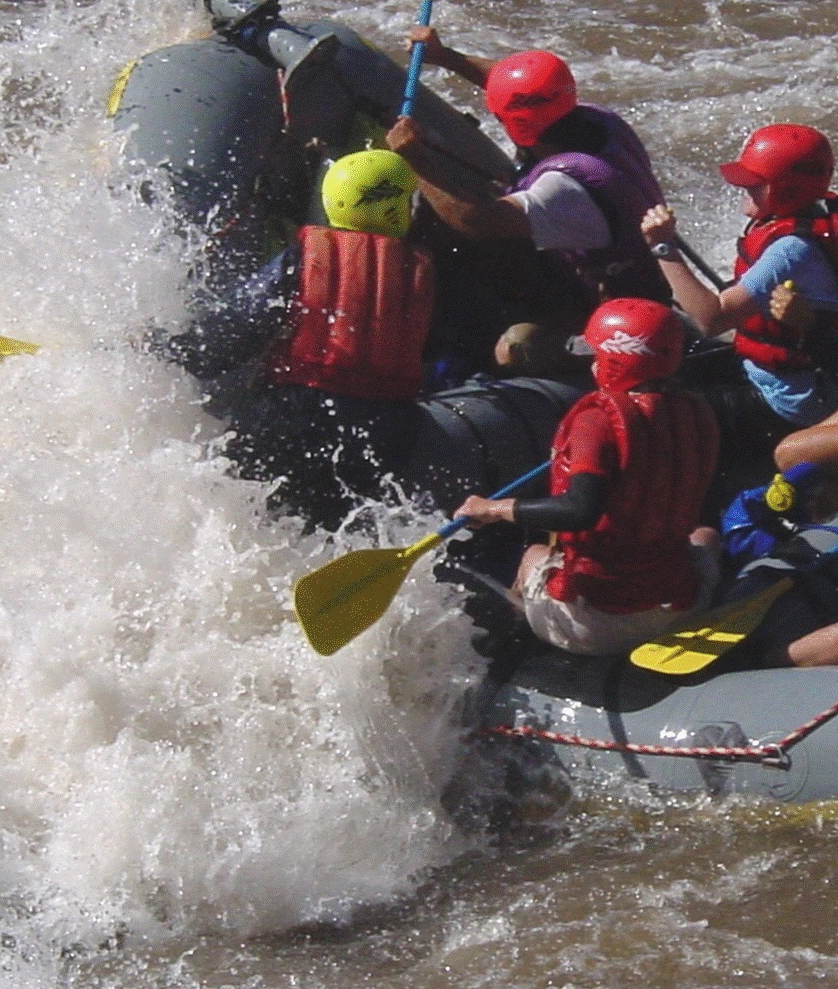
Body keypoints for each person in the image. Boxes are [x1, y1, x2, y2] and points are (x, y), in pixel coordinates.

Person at [152, 148, 434, 528]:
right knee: (344, 525)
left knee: (258, 518)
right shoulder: (422, 269)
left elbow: (231, 334)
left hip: (293, 414)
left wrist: (164, 348)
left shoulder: (305, 258)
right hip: (383, 427)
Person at [452, 298, 721, 656]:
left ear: (615, 359)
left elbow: (579, 510)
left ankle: (516, 648)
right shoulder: (694, 411)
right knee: (705, 536)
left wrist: (493, 508)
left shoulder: (595, 422)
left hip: (595, 622)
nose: (592, 364)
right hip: (678, 608)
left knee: (533, 554)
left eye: (596, 356)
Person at [385, 37, 671, 338]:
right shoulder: (598, 119)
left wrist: (415, 160)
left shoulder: (561, 189)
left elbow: (476, 222)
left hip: (618, 313)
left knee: (517, 342)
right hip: (625, 258)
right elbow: (527, 92)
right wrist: (446, 57)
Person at [641, 124, 838, 451]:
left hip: (791, 399)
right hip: (767, 373)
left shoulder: (792, 250)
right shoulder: (805, 217)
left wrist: (663, 248)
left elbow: (712, 320)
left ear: (786, 192)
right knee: (663, 372)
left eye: (754, 184)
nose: (742, 189)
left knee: (664, 415)